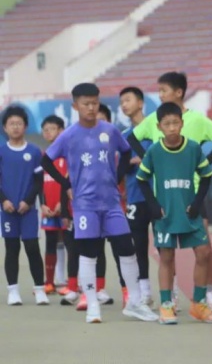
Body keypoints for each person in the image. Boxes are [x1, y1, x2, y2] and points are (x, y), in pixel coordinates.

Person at [42, 82, 158, 323]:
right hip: (85, 205)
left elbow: (125, 152)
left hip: (112, 203)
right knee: (89, 253)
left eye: (95, 103)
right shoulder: (69, 135)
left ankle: (134, 302)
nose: (91, 108)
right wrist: (67, 185)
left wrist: (117, 177)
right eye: (86, 104)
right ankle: (92, 304)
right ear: (75, 106)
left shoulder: (110, 130)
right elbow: (47, 161)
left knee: (127, 249)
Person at [127, 72, 212, 313]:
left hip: (194, 193)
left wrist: (207, 160)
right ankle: (168, 300)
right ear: (160, 126)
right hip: (165, 197)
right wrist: (147, 160)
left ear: (179, 92)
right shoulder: (155, 121)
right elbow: (132, 139)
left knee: (204, 249)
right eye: (159, 90)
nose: (160, 95)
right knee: (166, 253)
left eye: (164, 90)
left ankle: (207, 295)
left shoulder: (196, 123)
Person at [1, 105, 48, 306]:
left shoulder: (34, 151)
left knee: (32, 247)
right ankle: (13, 291)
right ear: (5, 128)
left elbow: (38, 181)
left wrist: (28, 202)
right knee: (12, 248)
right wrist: (4, 200)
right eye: (11, 124)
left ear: (25, 126)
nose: (15, 127)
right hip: (7, 209)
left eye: (19, 123)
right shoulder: (2, 151)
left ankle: (40, 290)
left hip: (28, 210)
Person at [120, 86, 154, 307]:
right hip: (134, 195)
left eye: (128, 100)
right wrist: (131, 162)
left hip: (157, 195)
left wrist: (145, 160)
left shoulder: (155, 129)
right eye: (122, 102)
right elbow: (120, 166)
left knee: (165, 247)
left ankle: (171, 293)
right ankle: (145, 291)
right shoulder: (124, 136)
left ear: (140, 103)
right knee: (139, 245)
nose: (124, 105)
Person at [97, 104, 126, 305]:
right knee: (96, 249)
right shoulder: (83, 147)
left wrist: (117, 180)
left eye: (103, 120)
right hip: (93, 208)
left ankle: (127, 292)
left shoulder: (117, 144)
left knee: (121, 250)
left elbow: (127, 160)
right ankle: (99, 290)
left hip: (116, 206)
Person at [40, 115, 70, 297]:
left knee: (69, 243)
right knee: (51, 243)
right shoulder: (43, 157)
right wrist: (43, 204)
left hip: (65, 208)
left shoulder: (68, 155)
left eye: (52, 128)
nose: (48, 132)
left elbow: (70, 182)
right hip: (48, 209)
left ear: (61, 130)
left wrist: (63, 203)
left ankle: (72, 281)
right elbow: (38, 183)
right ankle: (50, 282)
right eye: (45, 130)